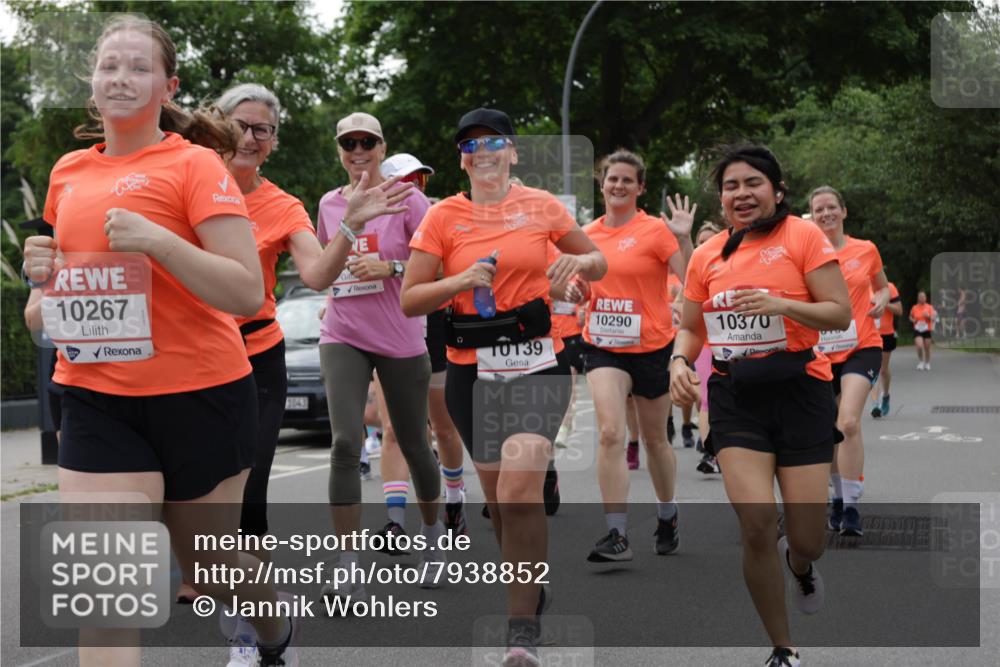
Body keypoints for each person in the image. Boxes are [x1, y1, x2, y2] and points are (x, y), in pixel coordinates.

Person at [20, 15, 303, 666]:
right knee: (106, 591)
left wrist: (158, 241)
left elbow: (240, 291)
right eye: (109, 65)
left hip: (201, 395)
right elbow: (41, 318)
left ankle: (272, 632)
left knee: (210, 564)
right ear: (92, 82)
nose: (121, 77)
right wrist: (45, 282)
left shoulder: (197, 165)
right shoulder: (67, 173)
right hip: (95, 400)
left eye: (138, 66)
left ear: (167, 85)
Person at [401, 107, 606, 666]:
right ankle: (531, 590)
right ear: (461, 159)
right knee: (499, 504)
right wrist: (460, 280)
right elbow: (410, 299)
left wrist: (577, 267)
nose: (481, 152)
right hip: (471, 372)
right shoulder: (443, 217)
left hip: (539, 362)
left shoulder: (540, 205)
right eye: (470, 145)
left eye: (493, 142)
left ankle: (521, 632)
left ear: (513, 151)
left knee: (518, 493)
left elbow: (597, 258)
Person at [670, 144, 851, 667]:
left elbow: (838, 313)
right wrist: (680, 364)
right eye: (731, 186)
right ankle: (783, 648)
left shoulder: (803, 235)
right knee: (755, 523)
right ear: (721, 198)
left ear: (777, 190)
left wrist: (781, 305)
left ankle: (801, 566)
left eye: (753, 183)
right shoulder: (707, 256)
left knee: (808, 539)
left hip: (801, 391)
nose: (741, 193)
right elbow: (688, 328)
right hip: (735, 396)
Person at [315, 112, 444, 603]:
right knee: (346, 442)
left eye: (366, 141)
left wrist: (390, 265)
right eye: (348, 142)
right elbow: (325, 264)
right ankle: (346, 565)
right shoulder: (329, 204)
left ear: (382, 146)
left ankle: (434, 542)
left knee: (413, 442)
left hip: (400, 336)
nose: (357, 150)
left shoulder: (408, 198)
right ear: (340, 151)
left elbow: (440, 264)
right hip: (342, 331)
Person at [579, 149, 694, 561]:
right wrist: (575, 292)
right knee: (610, 432)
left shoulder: (655, 231)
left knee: (655, 440)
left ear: (640, 187)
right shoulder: (586, 232)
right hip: (603, 346)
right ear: (602, 182)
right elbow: (578, 287)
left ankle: (668, 515)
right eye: (612, 178)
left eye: (628, 180)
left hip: (652, 346)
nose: (619, 185)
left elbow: (692, 277)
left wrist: (682, 236)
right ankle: (617, 534)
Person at [369, 151, 470, 541]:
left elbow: (450, 269)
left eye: (420, 181)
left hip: (433, 327)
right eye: (405, 183)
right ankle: (395, 521)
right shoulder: (371, 222)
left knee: (443, 427)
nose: (415, 190)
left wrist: (394, 268)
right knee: (393, 429)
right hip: (388, 329)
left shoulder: (437, 218)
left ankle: (455, 503)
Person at [809, 186, 890, 537]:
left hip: (862, 346)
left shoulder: (865, 249)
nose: (825, 214)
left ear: (843, 212)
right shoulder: (805, 255)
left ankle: (852, 506)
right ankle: (838, 498)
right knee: (827, 431)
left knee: (849, 422)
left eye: (831, 207)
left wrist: (882, 299)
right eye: (818, 210)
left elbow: (883, 286)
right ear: (811, 217)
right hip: (820, 352)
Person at [689, 221, 725, 475]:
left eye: (711, 240)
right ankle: (711, 454)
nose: (706, 245)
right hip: (705, 344)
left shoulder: (731, 267)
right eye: (701, 242)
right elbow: (684, 307)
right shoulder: (695, 270)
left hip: (732, 344)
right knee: (705, 400)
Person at [870, 279, 902, 418]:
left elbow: (899, 310)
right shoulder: (863, 286)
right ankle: (875, 404)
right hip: (868, 334)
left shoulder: (889, 287)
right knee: (873, 370)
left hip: (886, 333)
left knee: (883, 370)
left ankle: (886, 396)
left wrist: (882, 303)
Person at [910, 291, 938, 370]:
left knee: (927, 347)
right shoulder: (914, 307)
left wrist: (928, 316)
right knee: (919, 346)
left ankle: (927, 363)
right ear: (918, 298)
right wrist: (913, 320)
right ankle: (921, 361)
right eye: (921, 297)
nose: (922, 298)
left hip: (927, 329)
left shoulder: (929, 307)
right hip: (918, 329)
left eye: (924, 297)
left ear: (926, 298)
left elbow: (934, 319)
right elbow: (910, 317)